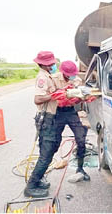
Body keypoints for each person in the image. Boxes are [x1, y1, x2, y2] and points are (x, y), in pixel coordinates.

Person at [24, 51, 60, 198]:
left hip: (52, 118)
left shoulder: (48, 76)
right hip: (46, 120)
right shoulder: (42, 78)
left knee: (51, 150)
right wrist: (54, 95)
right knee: (45, 155)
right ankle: (31, 186)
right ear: (45, 64)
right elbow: (38, 99)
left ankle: (38, 179)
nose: (53, 65)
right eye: (51, 64)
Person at [52, 60, 90, 181]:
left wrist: (81, 98)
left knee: (81, 138)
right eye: (69, 75)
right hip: (57, 112)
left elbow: (78, 99)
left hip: (70, 111)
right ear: (63, 72)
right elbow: (51, 97)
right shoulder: (54, 79)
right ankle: (42, 171)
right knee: (53, 143)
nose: (72, 77)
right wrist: (64, 94)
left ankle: (80, 168)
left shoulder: (76, 80)